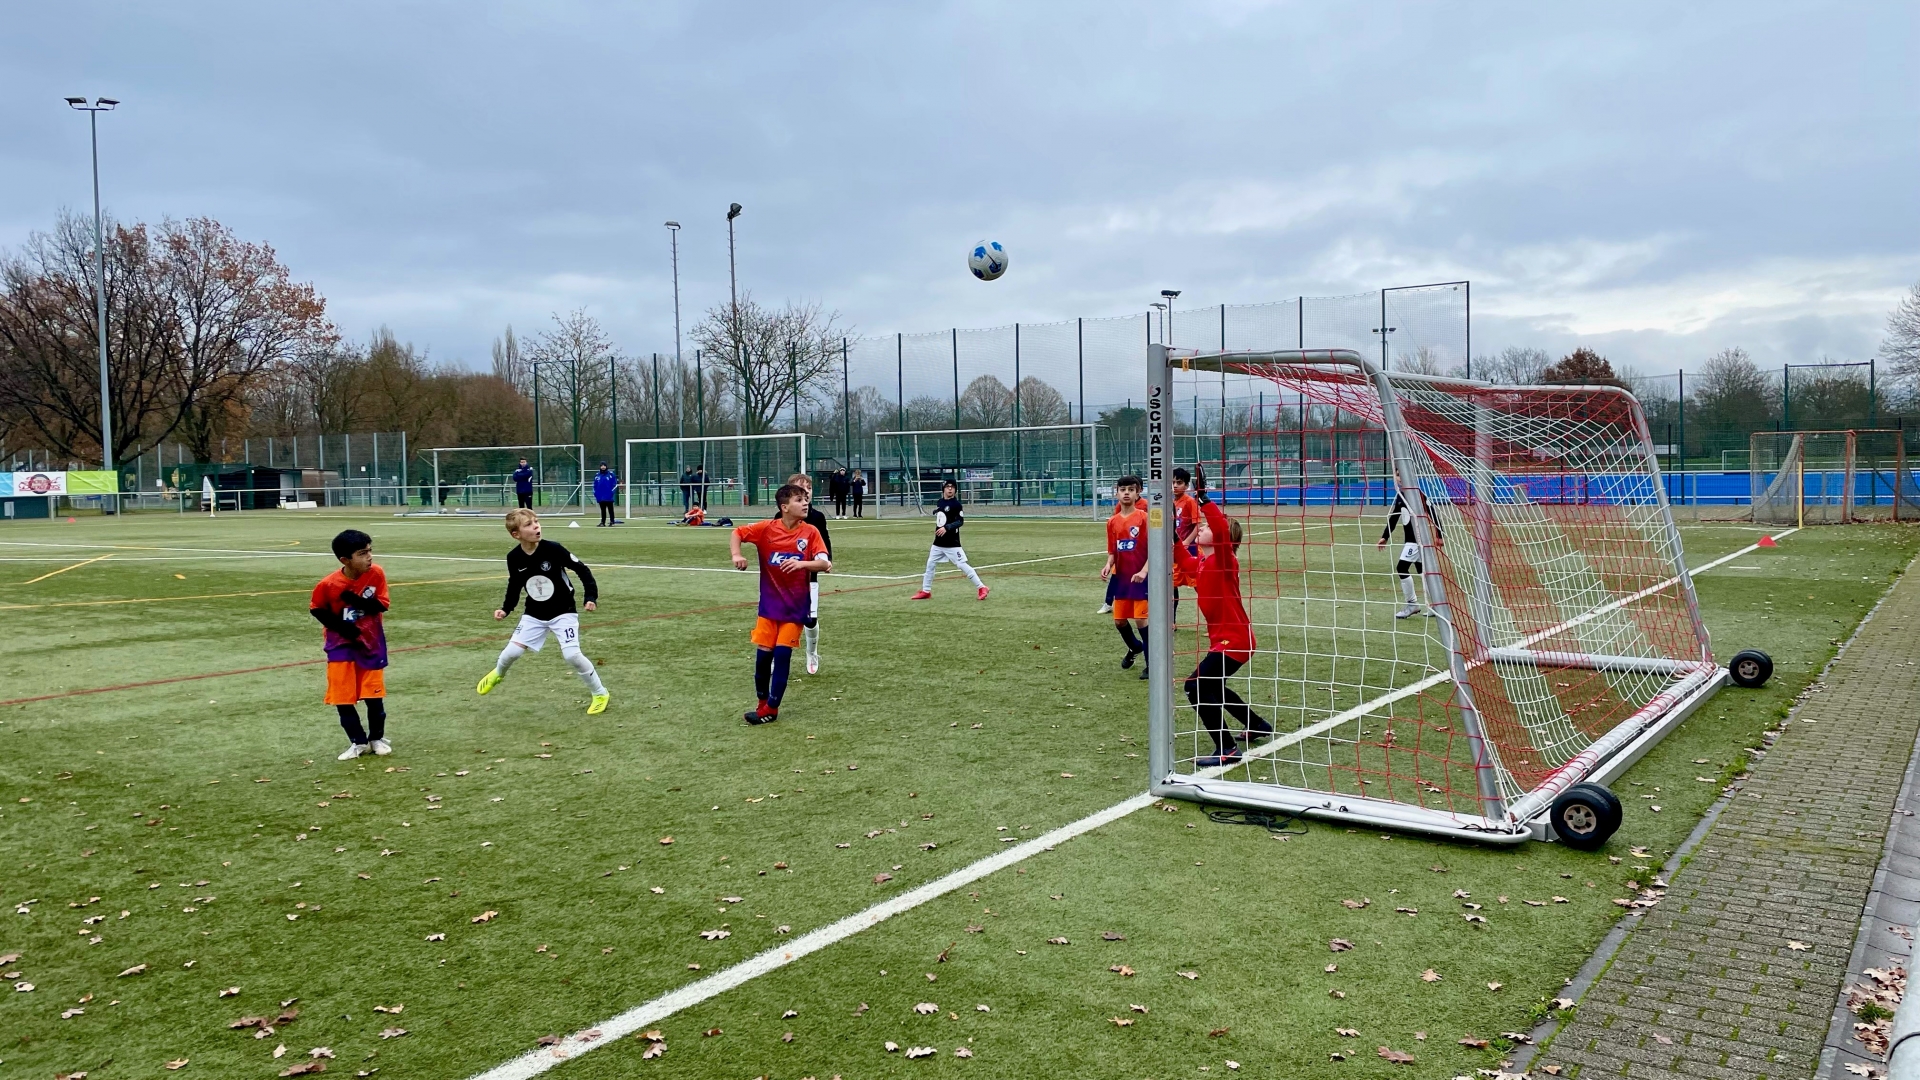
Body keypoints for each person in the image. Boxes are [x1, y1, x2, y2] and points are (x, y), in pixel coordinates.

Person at [1175, 468, 1270, 767]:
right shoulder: (1204, 562)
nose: (1203, 527)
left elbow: (1216, 524)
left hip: (1235, 640)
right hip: (1228, 640)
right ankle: (1257, 725)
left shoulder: (1226, 561)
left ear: (1222, 537)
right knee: (1212, 687)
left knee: (1195, 687)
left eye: (1207, 527)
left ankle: (1227, 748)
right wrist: (1170, 536)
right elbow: (1184, 561)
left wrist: (1204, 499)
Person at [475, 508, 610, 715]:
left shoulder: (553, 549)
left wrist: (590, 597)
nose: (536, 526)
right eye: (529, 524)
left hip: (564, 611)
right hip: (534, 614)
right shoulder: (514, 557)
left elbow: (582, 569)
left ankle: (600, 693)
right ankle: (498, 673)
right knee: (512, 652)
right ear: (516, 534)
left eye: (536, 522)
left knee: (572, 655)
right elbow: (514, 584)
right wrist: (506, 609)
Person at [730, 483, 832, 724]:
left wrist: (802, 564)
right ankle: (762, 703)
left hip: (795, 608)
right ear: (784, 507)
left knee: (783, 655)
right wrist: (736, 554)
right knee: (763, 658)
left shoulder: (810, 532)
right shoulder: (766, 529)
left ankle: (772, 709)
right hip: (769, 607)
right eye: (799, 500)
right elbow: (737, 533)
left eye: (806, 498)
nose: (805, 503)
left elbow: (825, 563)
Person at [310, 529, 392, 760]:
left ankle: (376, 738)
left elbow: (382, 605)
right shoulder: (328, 584)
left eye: (370, 551)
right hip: (340, 646)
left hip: (371, 643)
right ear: (345, 560)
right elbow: (317, 609)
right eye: (362, 553)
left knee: (374, 696)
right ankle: (358, 742)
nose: (369, 557)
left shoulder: (376, 574)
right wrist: (343, 628)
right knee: (343, 698)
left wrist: (357, 600)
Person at [783, 472, 833, 674]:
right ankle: (777, 657)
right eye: (801, 489)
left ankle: (812, 652)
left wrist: (826, 560)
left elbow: (824, 542)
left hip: (808, 576)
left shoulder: (817, 518)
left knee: (810, 619)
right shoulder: (781, 517)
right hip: (784, 578)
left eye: (809, 489)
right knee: (781, 618)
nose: (806, 492)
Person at [1101, 475, 1150, 678]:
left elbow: (1155, 549)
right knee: (1119, 621)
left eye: (1131, 489)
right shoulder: (1112, 522)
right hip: (1122, 579)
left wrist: (1144, 571)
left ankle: (1152, 664)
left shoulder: (1144, 518)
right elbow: (1113, 550)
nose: (1126, 493)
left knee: (1141, 620)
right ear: (1117, 493)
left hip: (1141, 579)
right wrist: (1108, 564)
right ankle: (1135, 647)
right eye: (1123, 490)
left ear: (1138, 493)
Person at [909, 479, 988, 601]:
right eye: (947, 486)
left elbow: (960, 521)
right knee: (930, 564)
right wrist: (937, 511)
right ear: (943, 489)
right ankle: (926, 591)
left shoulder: (956, 505)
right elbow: (943, 513)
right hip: (938, 542)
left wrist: (947, 527)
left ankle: (982, 587)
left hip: (952, 543)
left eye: (952, 487)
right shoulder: (940, 502)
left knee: (962, 564)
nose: (950, 489)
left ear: (955, 490)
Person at [1375, 490, 1440, 618]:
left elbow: (1433, 513)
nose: (1398, 480)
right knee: (1422, 570)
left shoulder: (1419, 494)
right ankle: (1437, 606)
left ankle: (1412, 605)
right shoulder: (1400, 495)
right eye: (1397, 478)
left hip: (1415, 540)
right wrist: (1385, 537)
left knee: (1402, 568)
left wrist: (1439, 535)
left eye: (1400, 478)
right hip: (1414, 541)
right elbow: (1394, 517)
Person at [1170, 467, 1201, 624]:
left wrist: (1187, 541)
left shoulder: (1189, 502)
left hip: (1190, 551)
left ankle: (1214, 623)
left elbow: (1198, 525)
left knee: (1200, 587)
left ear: (1187, 485)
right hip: (1175, 551)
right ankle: (1172, 622)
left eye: (1179, 482)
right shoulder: (1169, 502)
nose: (1175, 485)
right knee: (1171, 586)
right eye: (1173, 482)